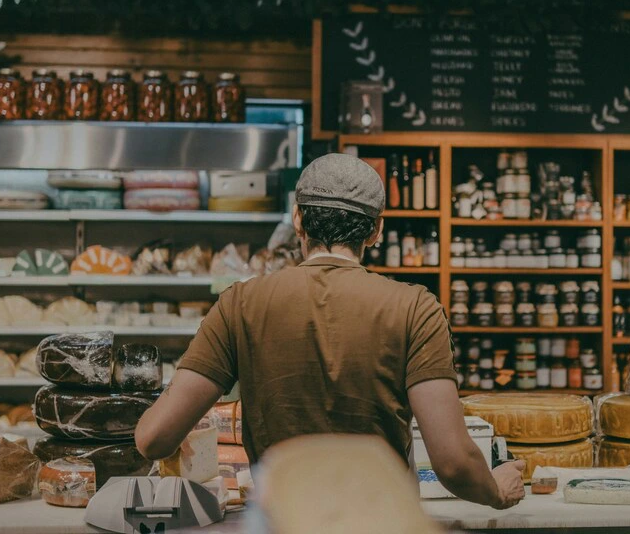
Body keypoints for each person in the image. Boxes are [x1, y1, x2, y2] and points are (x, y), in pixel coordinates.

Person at [135, 153, 525, 509]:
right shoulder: (415, 308)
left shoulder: (240, 304)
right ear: (375, 231)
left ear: (298, 219)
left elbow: (154, 439)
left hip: (283, 521)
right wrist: (496, 490)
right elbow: (454, 462)